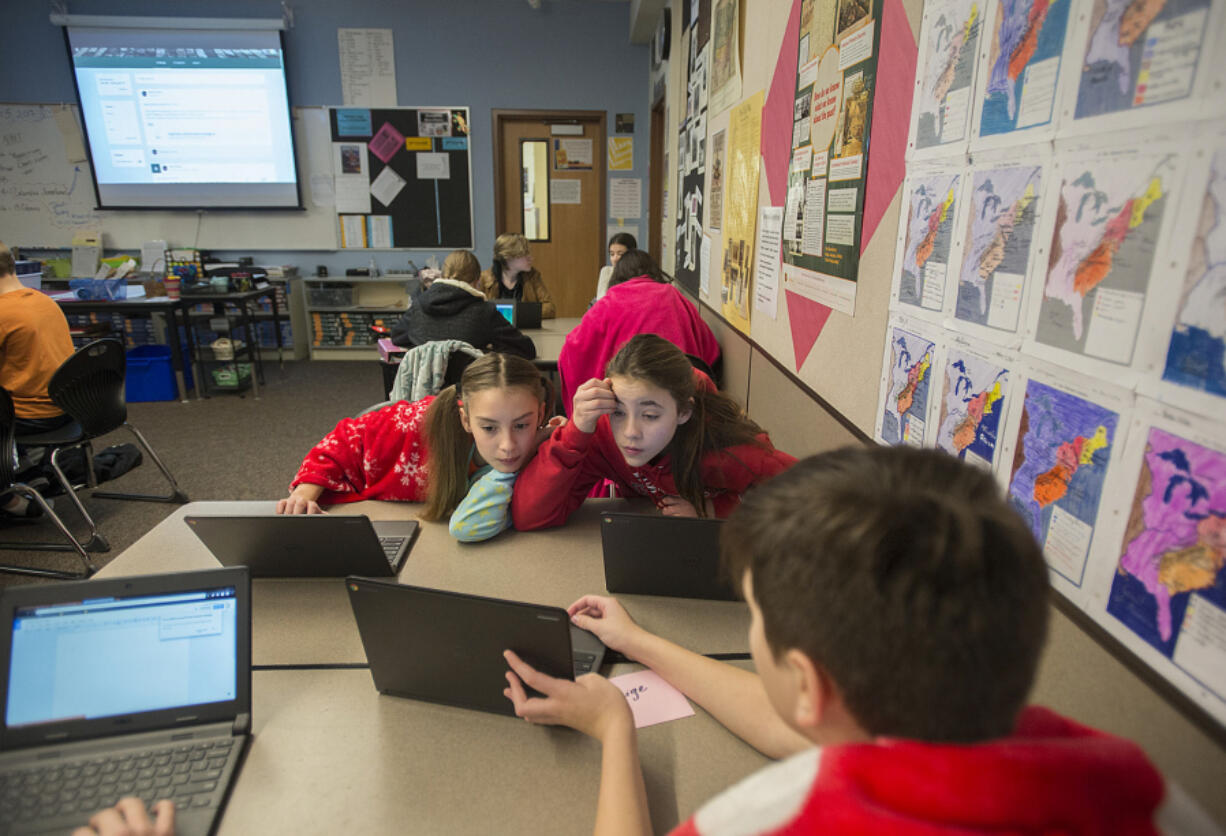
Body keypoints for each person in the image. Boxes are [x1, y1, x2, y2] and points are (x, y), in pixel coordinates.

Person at [503, 446, 1168, 834]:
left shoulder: (780, 814)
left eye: (754, 616)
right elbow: (812, 725)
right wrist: (641, 641)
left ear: (811, 684)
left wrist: (614, 726)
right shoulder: (1136, 785)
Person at [513, 334, 794, 528]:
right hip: (644, 540)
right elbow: (530, 515)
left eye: (649, 415)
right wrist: (575, 431)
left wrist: (717, 510)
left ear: (684, 412)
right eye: (619, 412)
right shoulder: (602, 431)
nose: (631, 432)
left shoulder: (721, 445)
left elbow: (812, 499)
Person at [278, 352, 561, 543]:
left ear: (541, 413)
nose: (508, 446)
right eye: (488, 428)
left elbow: (470, 524)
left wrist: (532, 448)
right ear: (465, 419)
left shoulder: (547, 447)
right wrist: (305, 492)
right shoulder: (415, 423)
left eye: (522, 425)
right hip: (357, 523)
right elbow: (345, 438)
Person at [560, 249, 720, 417]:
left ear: (617, 276)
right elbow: (711, 351)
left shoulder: (610, 299)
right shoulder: (673, 295)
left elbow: (573, 348)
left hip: (627, 399)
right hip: (679, 398)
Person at [0, 242, 75, 519]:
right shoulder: (42, 300)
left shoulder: (3, 312)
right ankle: (30, 473)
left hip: (32, 415)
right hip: (68, 406)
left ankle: (9, 501)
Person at [388, 249, 536, 359]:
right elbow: (526, 349)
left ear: (443, 275)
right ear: (477, 281)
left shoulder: (419, 306)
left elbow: (397, 336)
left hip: (424, 395)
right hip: (469, 393)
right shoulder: (484, 312)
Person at [478, 233, 556, 318]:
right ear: (508, 257)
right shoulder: (483, 279)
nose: (530, 258)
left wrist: (515, 314)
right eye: (524, 254)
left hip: (526, 330)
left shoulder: (532, 276)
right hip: (493, 330)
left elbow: (549, 308)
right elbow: (474, 310)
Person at [594, 231, 637, 301]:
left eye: (620, 254)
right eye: (612, 254)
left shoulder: (639, 273)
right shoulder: (607, 271)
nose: (615, 258)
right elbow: (601, 299)